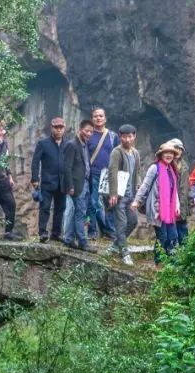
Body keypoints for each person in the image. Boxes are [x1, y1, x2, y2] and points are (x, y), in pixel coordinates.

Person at [131, 141, 182, 264]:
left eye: (171, 153)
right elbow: (145, 185)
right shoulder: (155, 168)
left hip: (170, 210)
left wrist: (177, 205)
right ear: (161, 155)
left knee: (173, 237)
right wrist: (136, 201)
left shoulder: (171, 169)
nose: (169, 155)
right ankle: (159, 264)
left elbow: (174, 190)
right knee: (162, 237)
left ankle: (172, 264)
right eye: (166, 153)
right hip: (157, 209)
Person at [105, 124, 143, 265]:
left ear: (134, 137)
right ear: (120, 137)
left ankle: (115, 245)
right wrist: (113, 194)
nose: (127, 139)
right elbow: (112, 171)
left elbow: (137, 172)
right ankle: (125, 253)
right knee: (121, 224)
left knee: (133, 221)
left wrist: (138, 185)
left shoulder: (135, 153)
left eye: (130, 136)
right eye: (125, 137)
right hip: (119, 195)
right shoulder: (117, 152)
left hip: (131, 195)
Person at [30, 117, 68, 243]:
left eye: (61, 127)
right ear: (52, 128)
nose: (58, 130)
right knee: (45, 207)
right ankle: (42, 233)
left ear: (64, 128)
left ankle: (56, 234)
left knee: (60, 208)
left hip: (62, 182)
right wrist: (35, 178)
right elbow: (35, 161)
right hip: (47, 182)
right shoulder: (43, 143)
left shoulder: (67, 144)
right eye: (56, 127)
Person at [61, 119, 95, 251]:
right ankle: (82, 242)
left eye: (91, 132)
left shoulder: (85, 145)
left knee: (78, 212)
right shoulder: (72, 145)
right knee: (80, 213)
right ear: (80, 129)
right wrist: (69, 186)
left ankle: (69, 239)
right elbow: (67, 167)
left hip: (85, 183)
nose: (89, 134)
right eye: (87, 131)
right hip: (76, 184)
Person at [84, 107, 117, 240]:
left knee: (110, 204)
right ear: (92, 119)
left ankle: (109, 230)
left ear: (105, 118)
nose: (98, 118)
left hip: (109, 174)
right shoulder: (88, 135)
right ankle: (93, 231)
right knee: (93, 203)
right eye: (96, 116)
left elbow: (117, 154)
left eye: (101, 116)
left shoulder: (112, 136)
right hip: (94, 173)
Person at [168, 139, 192, 247]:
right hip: (170, 203)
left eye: (180, 149)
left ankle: (184, 255)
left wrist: (190, 198)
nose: (178, 151)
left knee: (183, 231)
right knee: (170, 233)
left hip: (182, 204)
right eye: (175, 148)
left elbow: (187, 184)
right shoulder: (166, 165)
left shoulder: (185, 166)